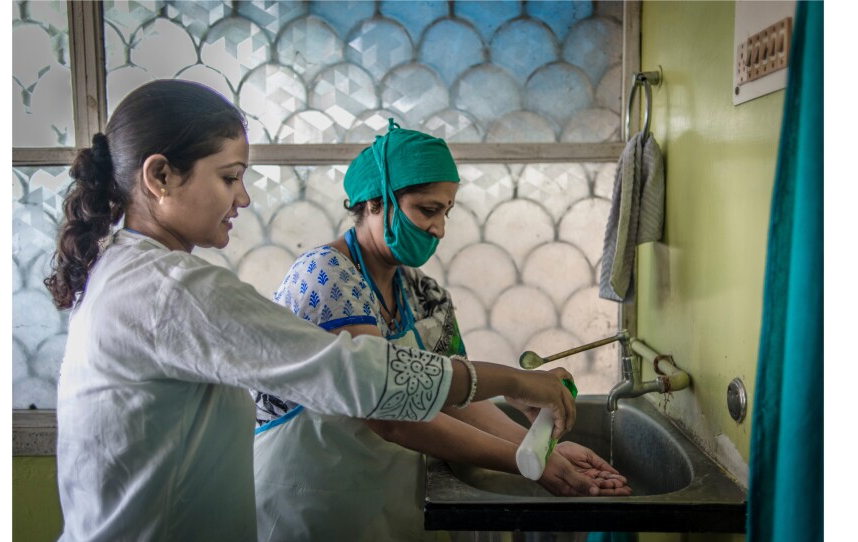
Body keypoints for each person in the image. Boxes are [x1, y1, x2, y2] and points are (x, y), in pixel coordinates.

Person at [43, 80, 578, 542]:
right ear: (159, 177)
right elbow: (365, 380)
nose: (244, 199)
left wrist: (528, 439)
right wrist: (516, 384)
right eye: (230, 177)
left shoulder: (128, 272)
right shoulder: (171, 289)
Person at [252, 121, 631, 542]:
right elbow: (388, 413)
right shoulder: (324, 276)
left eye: (446, 211)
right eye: (427, 210)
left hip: (385, 504)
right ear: (375, 202)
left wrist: (539, 449)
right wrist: (527, 463)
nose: (440, 229)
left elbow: (454, 396)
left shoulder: (422, 293)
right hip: (310, 503)